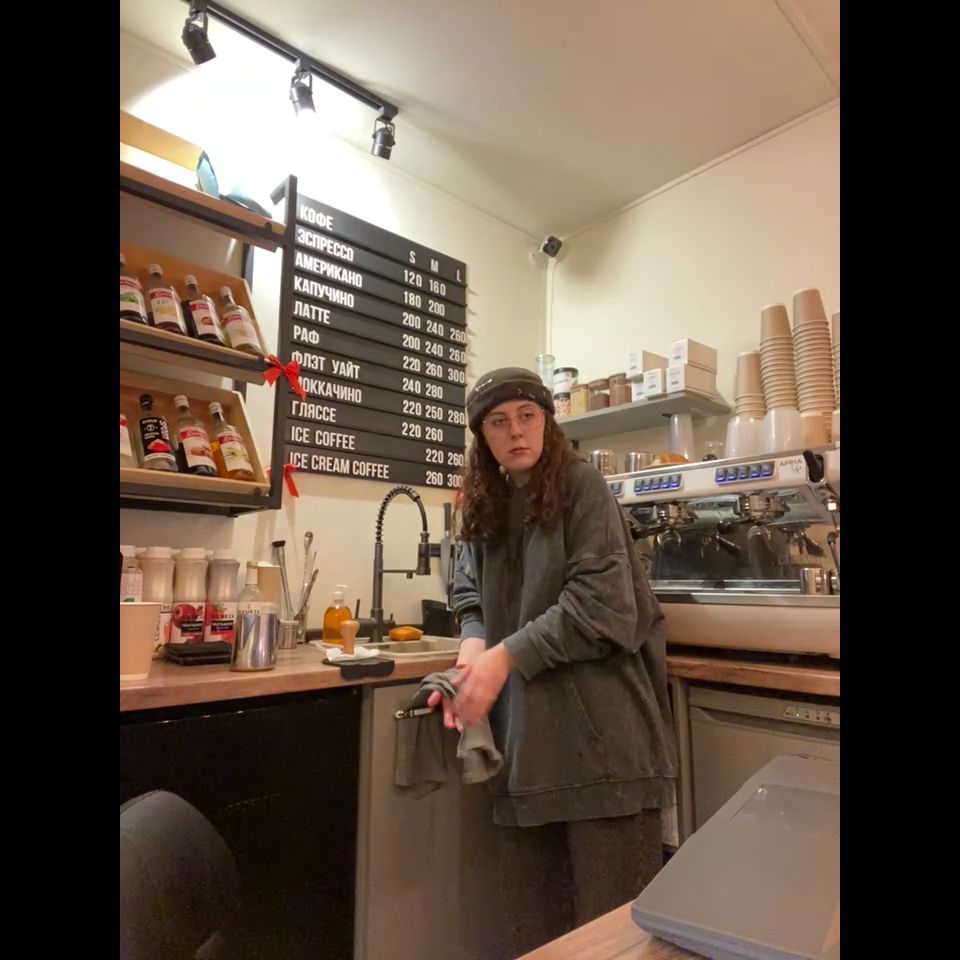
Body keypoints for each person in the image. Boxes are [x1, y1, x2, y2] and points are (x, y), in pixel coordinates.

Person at [432, 367, 677, 957]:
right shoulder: (486, 504)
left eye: (528, 416)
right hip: (526, 758)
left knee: (615, 944)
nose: (516, 431)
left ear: (547, 422)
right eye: (498, 422)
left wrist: (503, 658)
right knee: (536, 941)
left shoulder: (581, 485)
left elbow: (601, 606)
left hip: (603, 753)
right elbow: (467, 590)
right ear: (482, 437)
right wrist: (473, 647)